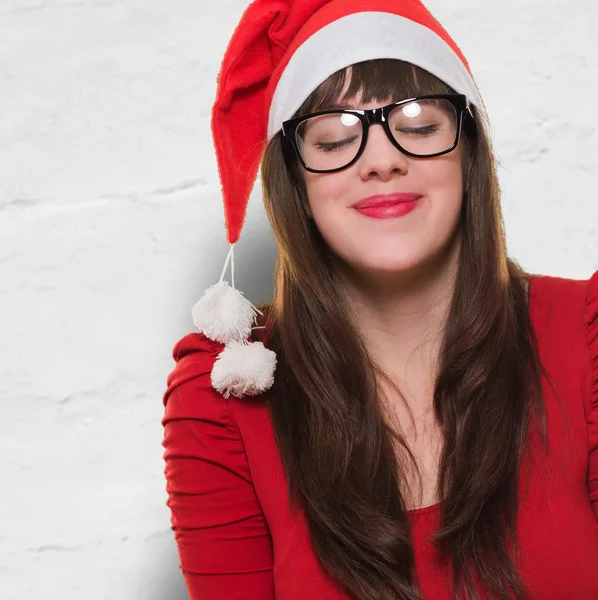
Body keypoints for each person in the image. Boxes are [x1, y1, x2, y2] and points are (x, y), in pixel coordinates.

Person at [161, 1, 598, 599]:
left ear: (467, 154)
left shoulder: (587, 339)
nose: (382, 159)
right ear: (296, 183)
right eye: (335, 137)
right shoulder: (224, 405)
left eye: (418, 125)